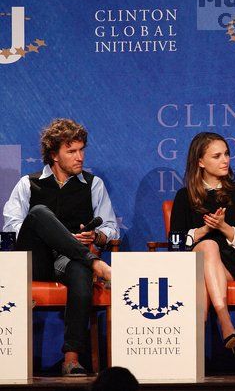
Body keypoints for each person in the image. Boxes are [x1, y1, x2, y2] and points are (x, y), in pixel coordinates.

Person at [2, 118, 118, 377]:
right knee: (39, 213)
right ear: (54, 155)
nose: (80, 157)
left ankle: (71, 358)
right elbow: (12, 228)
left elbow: (111, 228)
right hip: (36, 260)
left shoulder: (93, 184)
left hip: (72, 259)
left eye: (81, 150)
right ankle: (95, 262)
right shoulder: (28, 184)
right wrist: (56, 235)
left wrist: (96, 236)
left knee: (80, 270)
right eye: (71, 151)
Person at [170, 132, 235, 352]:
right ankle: (225, 320)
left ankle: (190, 351)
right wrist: (205, 229)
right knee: (208, 246)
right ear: (200, 162)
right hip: (191, 266)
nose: (225, 160)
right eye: (217, 156)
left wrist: (222, 227)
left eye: (226, 154)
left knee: (210, 250)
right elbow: (175, 242)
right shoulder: (184, 196)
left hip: (226, 266)